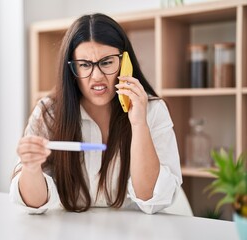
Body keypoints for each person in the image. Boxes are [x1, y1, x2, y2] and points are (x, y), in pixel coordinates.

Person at [10, 13, 182, 214]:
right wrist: (31, 168)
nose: (97, 76)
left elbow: (151, 199)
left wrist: (139, 124)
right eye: (84, 65)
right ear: (71, 70)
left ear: (125, 63)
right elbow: (34, 204)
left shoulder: (153, 110)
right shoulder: (49, 112)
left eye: (107, 62)